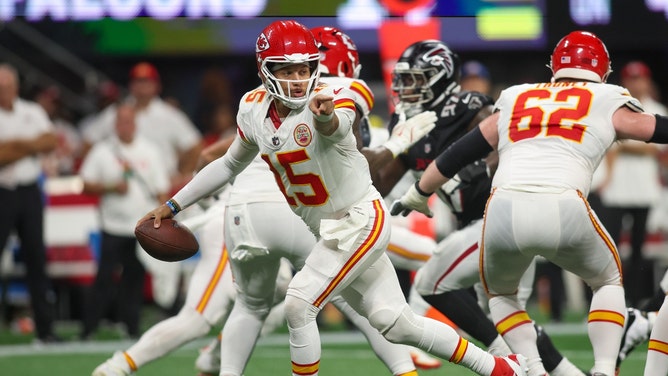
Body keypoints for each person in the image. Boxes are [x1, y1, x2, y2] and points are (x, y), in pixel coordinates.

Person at [139, 20, 527, 376]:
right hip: (329, 230)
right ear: (265, 70)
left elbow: (340, 120)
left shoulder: (337, 93)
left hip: (359, 220)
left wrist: (325, 117)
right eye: (286, 70)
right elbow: (227, 164)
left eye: (304, 69)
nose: (297, 79)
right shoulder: (253, 107)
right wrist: (174, 205)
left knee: (297, 303)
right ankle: (502, 368)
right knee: (396, 321)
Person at [390, 30, 668, 376]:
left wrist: (418, 192)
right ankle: (603, 368)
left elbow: (461, 152)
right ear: (604, 71)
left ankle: (533, 369)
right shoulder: (606, 96)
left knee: (501, 296)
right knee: (607, 281)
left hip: (502, 209)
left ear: (554, 66)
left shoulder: (516, 95)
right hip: (564, 204)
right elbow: (651, 128)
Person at [196, 25, 441, 376]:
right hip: (307, 215)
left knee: (252, 307)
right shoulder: (340, 93)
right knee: (358, 301)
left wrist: (179, 203)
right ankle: (408, 369)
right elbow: (360, 173)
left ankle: (215, 365)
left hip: (244, 209)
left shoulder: (254, 101)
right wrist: (396, 147)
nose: (299, 76)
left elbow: (215, 158)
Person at [372, 38, 585, 376]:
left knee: (433, 282)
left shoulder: (469, 106)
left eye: (416, 78)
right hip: (479, 226)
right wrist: (387, 146)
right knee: (510, 319)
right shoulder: (408, 119)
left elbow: (505, 142)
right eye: (405, 79)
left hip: (500, 218)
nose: (406, 87)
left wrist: (476, 167)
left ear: (440, 77)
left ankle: (506, 358)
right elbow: (381, 181)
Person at [82, 62, 203, 313]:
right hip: (125, 202)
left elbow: (194, 146)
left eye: (147, 82)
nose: (142, 87)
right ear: (131, 85)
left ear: (156, 85)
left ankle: (171, 307)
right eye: (137, 82)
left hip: (160, 193)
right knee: (127, 264)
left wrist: (181, 175)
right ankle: (119, 316)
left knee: (168, 256)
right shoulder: (117, 113)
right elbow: (87, 140)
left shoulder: (168, 115)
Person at [79, 101, 170, 340]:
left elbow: (161, 188)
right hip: (112, 225)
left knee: (135, 278)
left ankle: (131, 327)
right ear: (115, 124)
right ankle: (89, 328)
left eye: (129, 121)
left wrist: (163, 217)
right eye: (121, 121)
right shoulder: (103, 151)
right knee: (104, 279)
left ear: (135, 124)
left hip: (140, 226)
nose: (125, 126)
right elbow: (85, 184)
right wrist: (110, 187)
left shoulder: (150, 151)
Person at [0, 63, 60, 343]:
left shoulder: (32, 111)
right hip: (2, 192)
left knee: (37, 259)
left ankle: (45, 330)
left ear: (16, 87)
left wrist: (14, 146)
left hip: (28, 191)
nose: (5, 91)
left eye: (8, 86)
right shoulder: (29, 117)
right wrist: (29, 144)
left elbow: (50, 140)